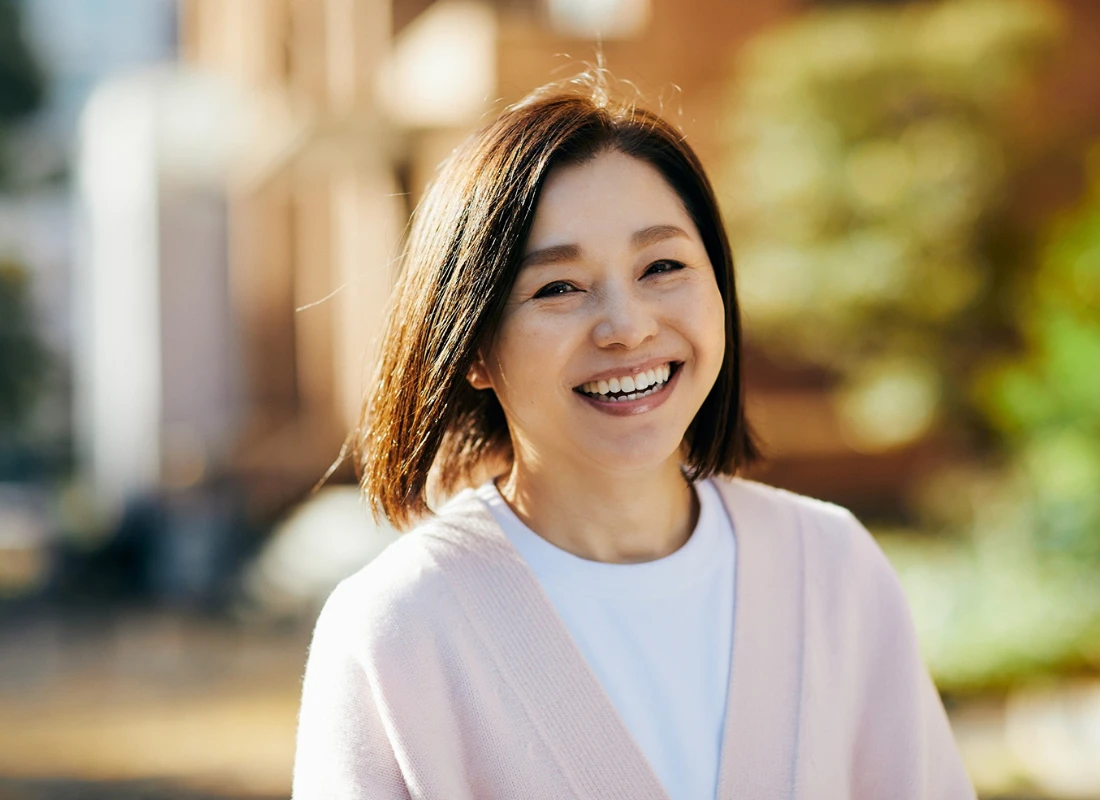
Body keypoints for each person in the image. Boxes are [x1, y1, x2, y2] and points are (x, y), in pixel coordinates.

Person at [291, 75, 976, 800]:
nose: (628, 326)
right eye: (559, 287)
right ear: (473, 350)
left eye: (663, 267)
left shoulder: (830, 569)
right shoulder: (401, 626)